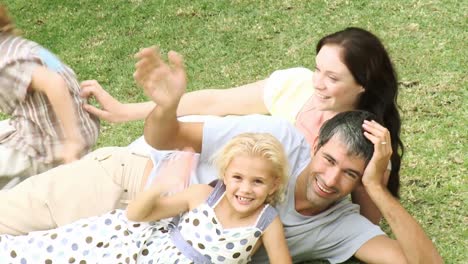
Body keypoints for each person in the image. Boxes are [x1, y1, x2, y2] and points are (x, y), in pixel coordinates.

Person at [133, 46, 442, 263]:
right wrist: (167, 106)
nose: (331, 179)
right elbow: (166, 138)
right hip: (137, 178)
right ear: (316, 145)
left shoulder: (342, 226)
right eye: (329, 160)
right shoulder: (278, 139)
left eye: (350, 174)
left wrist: (376, 188)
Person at [80, 27, 402, 224]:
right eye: (318, 69)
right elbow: (214, 103)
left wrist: (374, 180)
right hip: (188, 156)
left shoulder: (361, 142)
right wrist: (127, 111)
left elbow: (366, 223)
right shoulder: (297, 84)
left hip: (220, 199)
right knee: (100, 184)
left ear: (363, 85)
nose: (318, 83)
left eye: (332, 78)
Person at [0, 133, 292, 264]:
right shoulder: (203, 196)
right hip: (136, 251)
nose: (245, 189)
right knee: (41, 253)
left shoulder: (266, 223)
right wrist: (161, 185)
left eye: (258, 182)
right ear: (225, 175)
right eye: (238, 178)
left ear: (273, 184)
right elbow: (136, 215)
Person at [0, 4, 100, 188]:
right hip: (77, 122)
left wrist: (72, 141)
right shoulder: (14, 45)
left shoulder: (4, 66)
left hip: (50, 144)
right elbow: (56, 70)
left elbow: (54, 82)